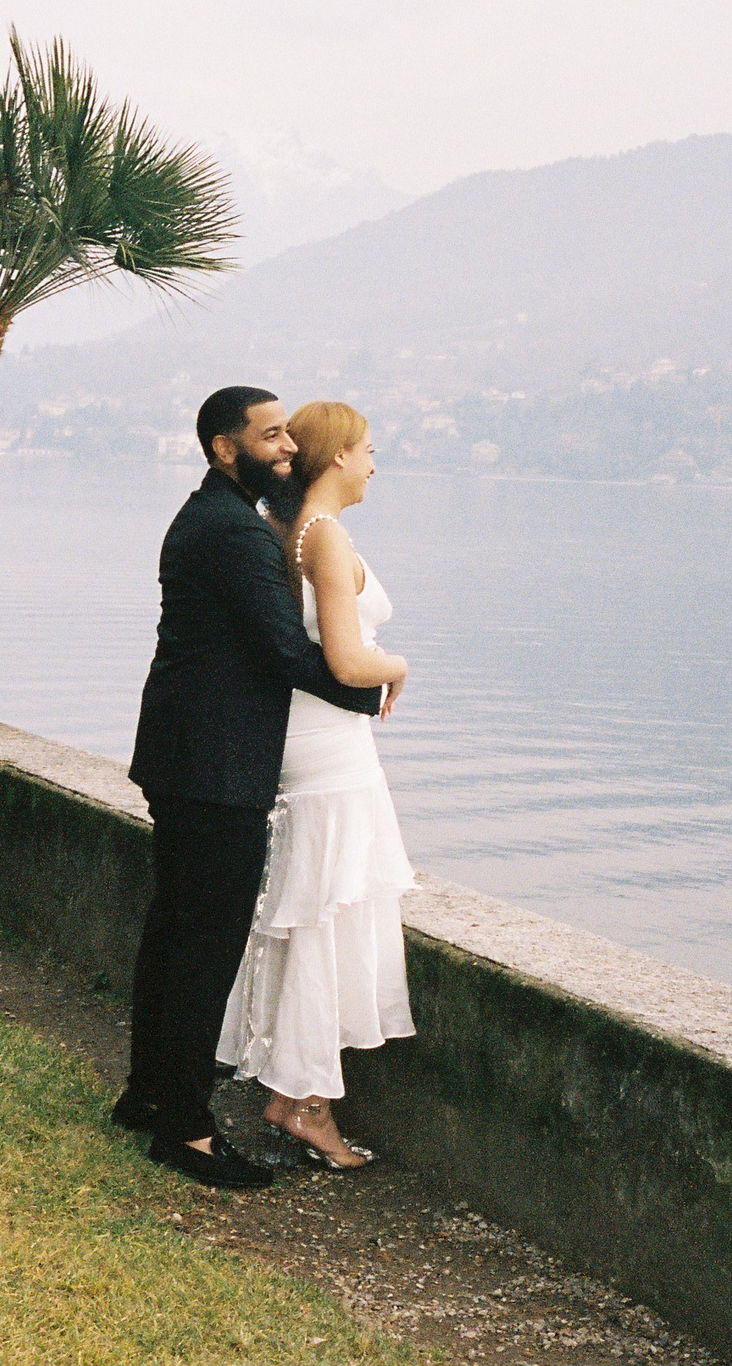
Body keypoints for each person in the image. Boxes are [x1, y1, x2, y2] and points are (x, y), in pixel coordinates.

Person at [114, 386, 389, 1189]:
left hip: (187, 755)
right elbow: (284, 650)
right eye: (270, 437)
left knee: (171, 934)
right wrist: (370, 687)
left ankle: (148, 1095)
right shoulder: (234, 531)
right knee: (204, 947)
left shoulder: (220, 517)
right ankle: (187, 1132)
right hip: (215, 765)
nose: (287, 448)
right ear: (221, 447)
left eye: (288, 437)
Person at [218, 400, 414, 1168]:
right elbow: (344, 659)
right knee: (330, 917)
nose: (374, 463)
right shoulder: (323, 538)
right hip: (330, 749)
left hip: (316, 740)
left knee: (315, 913)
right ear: (336, 458)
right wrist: (398, 665)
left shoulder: (294, 531)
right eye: (368, 449)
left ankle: (295, 1094)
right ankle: (306, 1105)